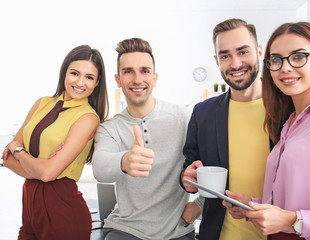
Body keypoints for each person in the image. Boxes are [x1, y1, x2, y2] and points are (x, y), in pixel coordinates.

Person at [224, 22, 310, 240]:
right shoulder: (289, 123)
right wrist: (254, 206)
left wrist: (292, 221)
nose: (285, 68)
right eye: (276, 60)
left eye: (298, 57)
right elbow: (290, 206)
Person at [92, 37, 202, 240]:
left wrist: (200, 204)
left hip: (177, 231)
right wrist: (124, 161)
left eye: (144, 71)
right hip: (125, 230)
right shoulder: (110, 128)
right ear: (118, 80)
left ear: (154, 77)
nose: (137, 79)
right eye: (128, 72)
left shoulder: (183, 119)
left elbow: (214, 163)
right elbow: (99, 167)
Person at [1, 45, 109, 240]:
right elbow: (7, 159)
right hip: (30, 208)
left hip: (63, 210)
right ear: (64, 72)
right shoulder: (42, 103)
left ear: (97, 82)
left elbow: (46, 172)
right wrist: (40, 167)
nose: (80, 82)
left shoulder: (87, 118)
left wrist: (19, 152)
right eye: (75, 73)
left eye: (89, 77)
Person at [180, 18, 271, 240]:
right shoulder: (203, 113)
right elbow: (189, 168)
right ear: (217, 61)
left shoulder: (287, 109)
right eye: (225, 56)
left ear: (259, 51)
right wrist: (186, 178)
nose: (236, 64)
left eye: (243, 52)